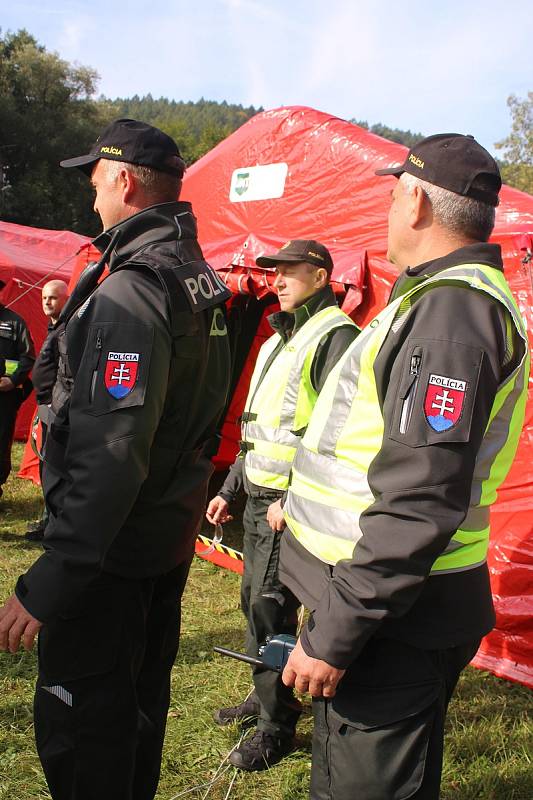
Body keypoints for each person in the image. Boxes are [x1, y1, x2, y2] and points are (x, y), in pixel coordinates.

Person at [277, 134, 529, 799]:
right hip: (381, 600)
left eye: (392, 197)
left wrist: (335, 631)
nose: (388, 212)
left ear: (414, 201)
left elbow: (420, 498)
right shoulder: (436, 300)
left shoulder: (451, 311)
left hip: (392, 613)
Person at [0, 118, 232, 800]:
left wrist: (57, 571)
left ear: (125, 182)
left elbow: (113, 445)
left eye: (96, 184)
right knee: (134, 710)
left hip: (111, 552)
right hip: (160, 534)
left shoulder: (132, 290)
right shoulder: (192, 275)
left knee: (87, 727)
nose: (91, 200)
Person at [206, 240, 358, 770]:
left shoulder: (335, 335)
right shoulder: (279, 334)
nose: (276, 280)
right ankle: (263, 693)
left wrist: (294, 496)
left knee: (272, 609)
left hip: (288, 504)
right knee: (254, 599)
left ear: (320, 276)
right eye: (272, 272)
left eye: (288, 272)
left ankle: (276, 726)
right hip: (258, 498)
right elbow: (258, 429)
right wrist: (230, 487)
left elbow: (335, 435)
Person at [25, 280, 69, 541]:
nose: (46, 302)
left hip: (57, 412)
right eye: (43, 298)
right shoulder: (54, 328)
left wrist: (54, 405)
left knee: (55, 472)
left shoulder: (66, 331)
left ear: (65, 299)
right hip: (46, 410)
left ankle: (53, 528)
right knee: (47, 469)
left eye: (52, 298)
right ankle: (48, 523)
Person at [0, 278, 36, 501]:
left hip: (4, 397)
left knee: (1, 442)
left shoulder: (14, 323)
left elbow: (28, 356)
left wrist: (13, 381)